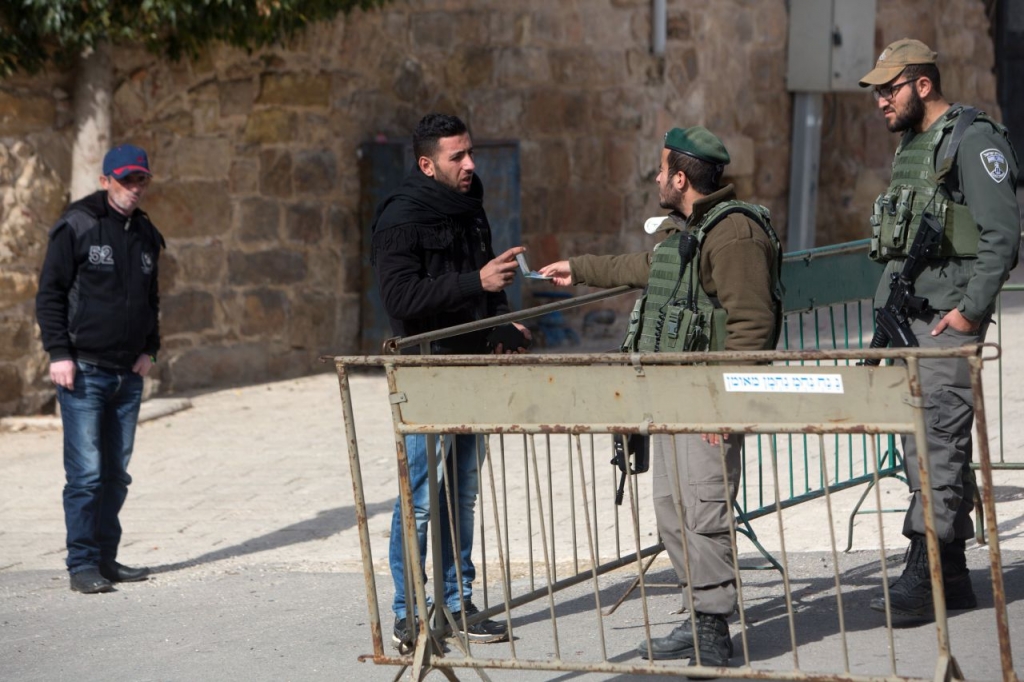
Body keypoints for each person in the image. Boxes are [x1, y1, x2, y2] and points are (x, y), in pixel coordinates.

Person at [538, 127, 782, 668]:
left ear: (680, 177)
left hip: (707, 402)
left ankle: (714, 629)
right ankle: (700, 618)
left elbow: (751, 327)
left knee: (705, 511)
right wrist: (577, 269)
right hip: (673, 397)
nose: (654, 178)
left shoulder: (734, 233)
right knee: (674, 512)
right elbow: (647, 270)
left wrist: (726, 406)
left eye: (661, 169)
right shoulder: (689, 229)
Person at [859, 39, 1020, 618]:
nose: (881, 100)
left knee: (938, 448)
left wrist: (971, 311)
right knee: (920, 446)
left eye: (890, 88)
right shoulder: (915, 144)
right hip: (911, 321)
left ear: (922, 85)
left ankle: (922, 571)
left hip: (947, 324)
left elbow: (1003, 235)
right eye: (877, 91)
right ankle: (952, 574)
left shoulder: (973, 141)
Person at [370, 113, 530, 652]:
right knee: (419, 498)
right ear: (426, 164)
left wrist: (502, 320)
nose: (470, 164)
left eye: (470, 153)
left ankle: (458, 602)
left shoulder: (470, 203)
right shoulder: (401, 217)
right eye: (457, 157)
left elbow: (487, 280)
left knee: (462, 494)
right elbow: (400, 300)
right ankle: (408, 612)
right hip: (426, 370)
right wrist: (474, 281)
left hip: (471, 366)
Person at [35, 144, 164, 594]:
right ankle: (82, 565)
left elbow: (151, 300)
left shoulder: (146, 234)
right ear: (105, 179)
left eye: (140, 180)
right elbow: (50, 294)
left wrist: (151, 347)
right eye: (125, 180)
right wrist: (58, 354)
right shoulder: (78, 225)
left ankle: (106, 559)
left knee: (116, 473)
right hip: (83, 371)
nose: (133, 188)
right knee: (87, 474)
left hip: (128, 375)